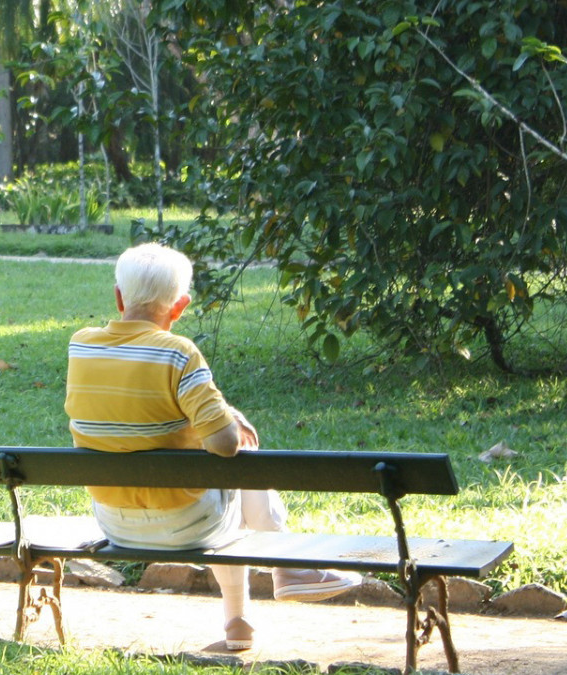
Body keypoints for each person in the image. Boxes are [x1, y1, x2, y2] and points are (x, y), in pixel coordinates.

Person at [65, 242, 361, 651]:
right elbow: (224, 445)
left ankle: (245, 618)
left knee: (221, 483)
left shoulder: (81, 345)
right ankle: (284, 572)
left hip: (114, 522)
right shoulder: (178, 352)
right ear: (180, 306)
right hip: (188, 524)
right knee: (239, 463)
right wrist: (230, 419)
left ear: (118, 297)